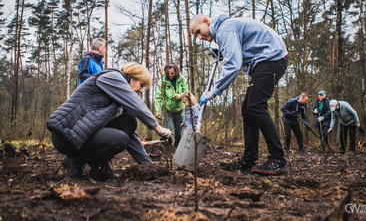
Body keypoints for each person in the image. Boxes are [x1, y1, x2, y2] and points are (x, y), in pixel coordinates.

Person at [189, 14, 288, 175]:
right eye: (196, 36)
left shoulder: (225, 29)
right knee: (248, 109)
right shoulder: (225, 30)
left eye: (199, 31)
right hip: (267, 60)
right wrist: (221, 50)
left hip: (271, 59)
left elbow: (233, 64)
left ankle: (278, 159)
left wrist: (214, 91)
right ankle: (248, 160)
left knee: (255, 106)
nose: (200, 37)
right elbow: (237, 51)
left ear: (207, 21)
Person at [47, 62, 172, 181]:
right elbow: (136, 104)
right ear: (132, 77)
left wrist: (149, 166)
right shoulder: (112, 77)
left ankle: (98, 169)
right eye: (141, 85)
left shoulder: (116, 98)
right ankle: (75, 160)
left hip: (82, 135)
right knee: (120, 139)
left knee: (129, 122)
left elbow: (131, 134)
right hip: (65, 135)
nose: (140, 90)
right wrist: (158, 128)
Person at [155, 63, 188, 148]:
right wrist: (158, 110)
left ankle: (175, 150)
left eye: (172, 73)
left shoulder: (182, 79)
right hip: (167, 110)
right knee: (167, 132)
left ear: (176, 72)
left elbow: (186, 92)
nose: (170, 75)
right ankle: (168, 150)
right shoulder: (162, 81)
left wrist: (180, 96)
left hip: (179, 109)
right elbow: (158, 96)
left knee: (179, 133)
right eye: (168, 73)